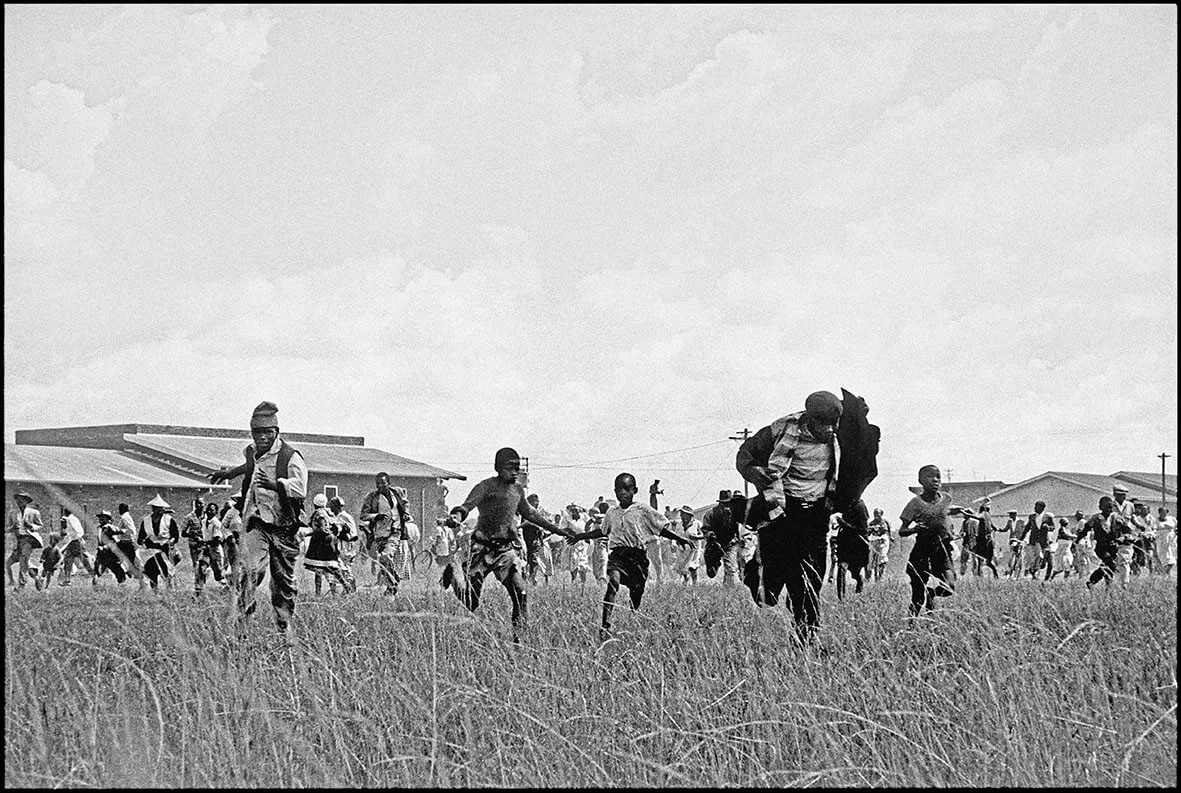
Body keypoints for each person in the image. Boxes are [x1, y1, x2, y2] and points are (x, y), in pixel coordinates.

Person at [736, 389, 880, 643]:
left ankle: (806, 638)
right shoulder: (781, 429)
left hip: (816, 515)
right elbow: (746, 453)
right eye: (822, 424)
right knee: (766, 593)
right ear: (808, 419)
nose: (829, 429)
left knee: (810, 579)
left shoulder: (839, 433)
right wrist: (753, 471)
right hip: (780, 514)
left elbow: (863, 438)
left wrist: (860, 413)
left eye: (833, 423)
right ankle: (752, 573)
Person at [447, 448, 571, 640]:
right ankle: (453, 575)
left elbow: (530, 514)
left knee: (520, 594)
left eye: (517, 468)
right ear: (498, 468)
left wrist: (557, 530)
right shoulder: (486, 486)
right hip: (482, 549)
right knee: (471, 603)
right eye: (510, 468)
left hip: (505, 551)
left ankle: (519, 640)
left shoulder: (517, 490)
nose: (515, 472)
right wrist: (457, 515)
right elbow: (467, 505)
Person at [210, 401, 308, 635]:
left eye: (267, 432)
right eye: (257, 432)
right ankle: (244, 621)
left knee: (282, 582)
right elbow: (249, 467)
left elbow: (300, 488)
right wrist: (228, 473)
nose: (262, 437)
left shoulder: (290, 457)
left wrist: (275, 485)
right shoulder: (252, 452)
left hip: (284, 526)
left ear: (276, 432)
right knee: (249, 570)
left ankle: (284, 626)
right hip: (258, 522)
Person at [565, 472, 693, 638]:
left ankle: (634, 614)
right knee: (613, 583)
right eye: (619, 489)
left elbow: (660, 529)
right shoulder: (612, 512)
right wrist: (580, 536)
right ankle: (605, 625)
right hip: (618, 554)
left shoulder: (642, 510)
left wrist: (678, 538)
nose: (623, 493)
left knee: (637, 590)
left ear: (635, 490)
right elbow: (602, 531)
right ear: (615, 491)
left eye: (627, 489)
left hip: (637, 556)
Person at [898, 465, 978, 619]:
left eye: (938, 477)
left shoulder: (946, 499)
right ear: (920, 480)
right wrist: (915, 529)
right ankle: (912, 625)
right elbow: (902, 530)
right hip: (922, 550)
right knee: (917, 597)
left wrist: (959, 510)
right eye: (929, 476)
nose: (935, 480)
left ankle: (932, 593)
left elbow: (946, 511)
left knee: (950, 586)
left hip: (942, 549)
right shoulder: (915, 503)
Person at [359, 473, 414, 596]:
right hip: (380, 533)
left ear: (388, 483)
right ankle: (393, 585)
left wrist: (405, 513)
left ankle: (393, 583)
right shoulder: (372, 497)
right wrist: (375, 516)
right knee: (383, 562)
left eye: (382, 483)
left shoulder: (397, 492)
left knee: (385, 556)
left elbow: (405, 503)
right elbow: (363, 515)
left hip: (396, 530)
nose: (380, 486)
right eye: (377, 484)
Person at [1078, 496, 1135, 588]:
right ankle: (1107, 586)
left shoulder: (1117, 518)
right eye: (1106, 506)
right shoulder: (1095, 518)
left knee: (1106, 566)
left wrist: (1123, 539)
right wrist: (1078, 538)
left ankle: (1092, 582)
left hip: (1113, 547)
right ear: (1100, 507)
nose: (1109, 509)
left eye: (1110, 506)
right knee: (1110, 564)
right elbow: (1086, 529)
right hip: (1101, 547)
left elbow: (1129, 532)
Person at [303, 493, 353, 596]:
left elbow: (322, 529)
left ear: (314, 503)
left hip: (321, 543)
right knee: (330, 568)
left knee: (322, 569)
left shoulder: (319, 513)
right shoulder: (328, 513)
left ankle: (321, 592)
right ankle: (336, 590)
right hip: (329, 541)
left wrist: (308, 534)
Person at [136, 494, 181, 589]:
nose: (158, 510)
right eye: (156, 508)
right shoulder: (146, 521)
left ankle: (170, 590)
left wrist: (171, 541)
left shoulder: (169, 520)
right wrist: (143, 542)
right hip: (151, 550)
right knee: (151, 570)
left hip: (165, 548)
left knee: (167, 570)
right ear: (153, 509)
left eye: (160, 508)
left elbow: (175, 535)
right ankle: (154, 590)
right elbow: (140, 538)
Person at [701, 490, 743, 586]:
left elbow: (738, 528)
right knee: (711, 573)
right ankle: (716, 564)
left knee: (731, 568)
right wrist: (710, 535)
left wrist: (739, 539)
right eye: (724, 504)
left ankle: (729, 590)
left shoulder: (734, 514)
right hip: (714, 545)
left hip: (729, 544)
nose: (727, 506)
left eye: (728, 503)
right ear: (719, 503)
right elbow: (705, 529)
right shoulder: (710, 514)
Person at [6, 492, 45, 588]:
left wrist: (31, 526)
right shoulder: (12, 513)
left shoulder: (34, 512)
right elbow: (6, 527)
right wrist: (12, 527)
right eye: (17, 499)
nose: (19, 501)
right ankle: (37, 578)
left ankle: (21, 585)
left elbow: (40, 525)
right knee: (10, 562)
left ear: (27, 501)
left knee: (23, 560)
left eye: (22, 499)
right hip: (18, 540)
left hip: (29, 539)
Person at [833, 501, 870, 599]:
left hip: (857, 545)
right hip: (845, 543)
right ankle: (841, 598)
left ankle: (859, 580)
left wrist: (844, 524)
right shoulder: (844, 505)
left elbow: (862, 530)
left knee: (854, 571)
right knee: (842, 568)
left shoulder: (860, 506)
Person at [92, 510, 134, 586]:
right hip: (101, 553)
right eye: (100, 517)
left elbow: (119, 534)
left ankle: (122, 583)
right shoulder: (99, 528)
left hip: (109, 553)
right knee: (97, 571)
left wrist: (126, 531)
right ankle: (95, 585)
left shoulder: (109, 527)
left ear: (108, 519)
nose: (101, 519)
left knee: (116, 569)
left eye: (103, 517)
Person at [193, 501, 226, 595]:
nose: (209, 512)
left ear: (216, 512)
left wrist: (203, 541)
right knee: (201, 568)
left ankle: (225, 588)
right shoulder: (203, 522)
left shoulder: (217, 523)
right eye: (208, 509)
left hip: (215, 551)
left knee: (218, 574)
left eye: (211, 510)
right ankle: (199, 591)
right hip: (206, 550)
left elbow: (217, 541)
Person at [328, 496, 358, 594]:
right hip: (337, 546)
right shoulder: (334, 517)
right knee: (338, 568)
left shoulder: (346, 517)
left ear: (337, 506)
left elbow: (353, 534)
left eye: (332, 505)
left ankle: (351, 588)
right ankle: (343, 589)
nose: (330, 507)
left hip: (345, 546)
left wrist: (343, 535)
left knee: (345, 567)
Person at [57, 506, 94, 585]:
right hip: (73, 542)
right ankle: (67, 580)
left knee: (83, 559)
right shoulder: (70, 519)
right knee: (68, 560)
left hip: (75, 542)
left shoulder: (71, 519)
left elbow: (78, 531)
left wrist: (77, 539)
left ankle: (93, 574)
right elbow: (70, 533)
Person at [672, 504, 704, 584]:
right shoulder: (679, 525)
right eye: (681, 514)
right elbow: (676, 535)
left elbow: (703, 535)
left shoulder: (697, 523)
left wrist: (696, 537)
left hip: (694, 549)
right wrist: (674, 543)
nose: (681, 516)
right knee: (681, 568)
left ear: (689, 515)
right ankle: (686, 579)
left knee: (692, 568)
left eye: (683, 514)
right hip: (683, 549)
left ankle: (695, 584)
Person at [33, 522, 67, 591]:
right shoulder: (47, 548)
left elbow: (61, 557)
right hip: (46, 564)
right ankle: (40, 585)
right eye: (51, 540)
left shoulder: (56, 549)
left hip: (52, 565)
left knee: (49, 576)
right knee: (43, 574)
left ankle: (47, 586)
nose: (52, 542)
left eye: (54, 540)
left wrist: (58, 563)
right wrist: (42, 559)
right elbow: (43, 555)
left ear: (56, 541)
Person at [972, 503, 999, 577]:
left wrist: (964, 513)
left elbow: (976, 516)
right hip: (989, 540)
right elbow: (994, 527)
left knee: (979, 557)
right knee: (987, 561)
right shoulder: (988, 517)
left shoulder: (983, 515)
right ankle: (994, 572)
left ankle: (980, 573)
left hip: (982, 540)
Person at [866, 508, 893, 582]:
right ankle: (870, 578)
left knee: (882, 558)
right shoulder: (872, 523)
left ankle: (880, 577)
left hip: (883, 541)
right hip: (874, 540)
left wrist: (890, 537)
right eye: (875, 513)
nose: (876, 515)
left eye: (878, 513)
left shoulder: (885, 521)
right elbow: (868, 532)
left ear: (881, 514)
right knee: (871, 559)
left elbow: (889, 529)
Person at [181, 497, 206, 571]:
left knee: (204, 563)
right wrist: (193, 535)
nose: (199, 505)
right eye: (197, 504)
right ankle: (197, 581)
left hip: (205, 543)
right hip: (194, 544)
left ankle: (203, 580)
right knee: (196, 564)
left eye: (201, 503)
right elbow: (183, 533)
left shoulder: (207, 516)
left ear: (204, 504)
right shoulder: (189, 517)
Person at [1156, 507, 1177, 576]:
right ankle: (1163, 572)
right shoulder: (1156, 520)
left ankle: (1167, 571)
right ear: (1159, 513)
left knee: (1172, 557)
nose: (1163, 514)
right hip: (1161, 540)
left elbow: (1176, 527)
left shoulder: (1171, 519)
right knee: (1163, 557)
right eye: (1161, 512)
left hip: (1171, 540)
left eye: (1165, 512)